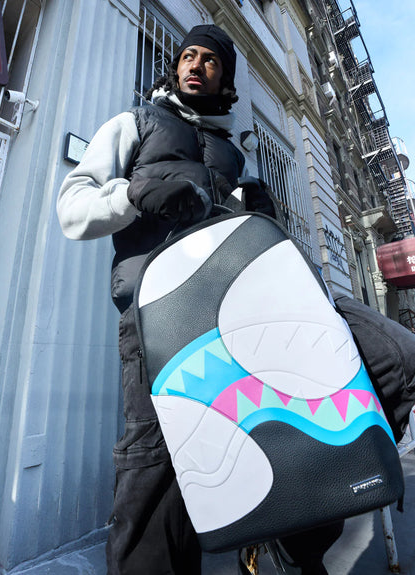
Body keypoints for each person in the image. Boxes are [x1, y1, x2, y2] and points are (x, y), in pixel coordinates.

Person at [57, 24, 343, 575]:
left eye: (209, 60)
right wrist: (135, 194)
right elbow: (73, 210)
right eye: (187, 55)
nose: (195, 65)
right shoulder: (136, 123)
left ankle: (290, 555)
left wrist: (261, 218)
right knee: (155, 461)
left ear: (224, 79)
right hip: (156, 317)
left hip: (233, 319)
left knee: (274, 437)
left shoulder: (234, 155)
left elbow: (245, 244)